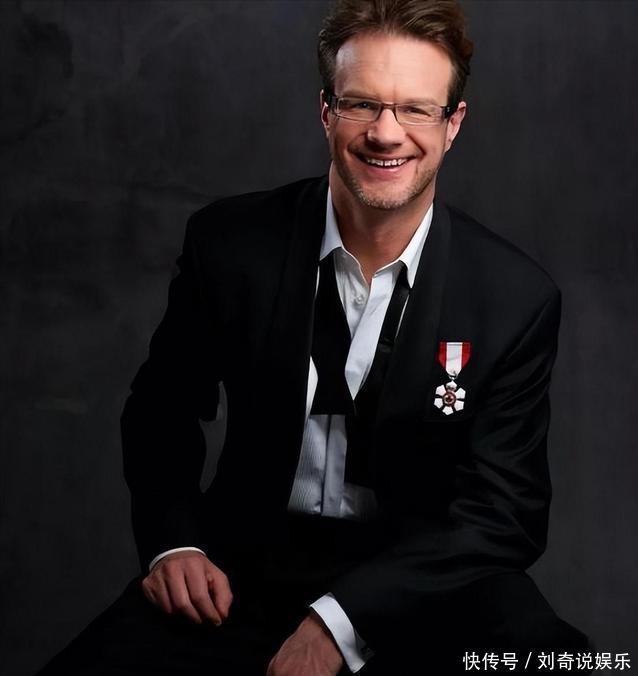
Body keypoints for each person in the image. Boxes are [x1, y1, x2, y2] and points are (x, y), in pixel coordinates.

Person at [38, 1, 589, 674]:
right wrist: (173, 543)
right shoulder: (229, 246)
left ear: (453, 125)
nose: (386, 133)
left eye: (416, 109)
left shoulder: (515, 298)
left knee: (558, 663)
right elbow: (162, 409)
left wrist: (340, 622)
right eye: (362, 104)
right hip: (241, 571)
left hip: (427, 583)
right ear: (326, 111)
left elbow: (505, 512)